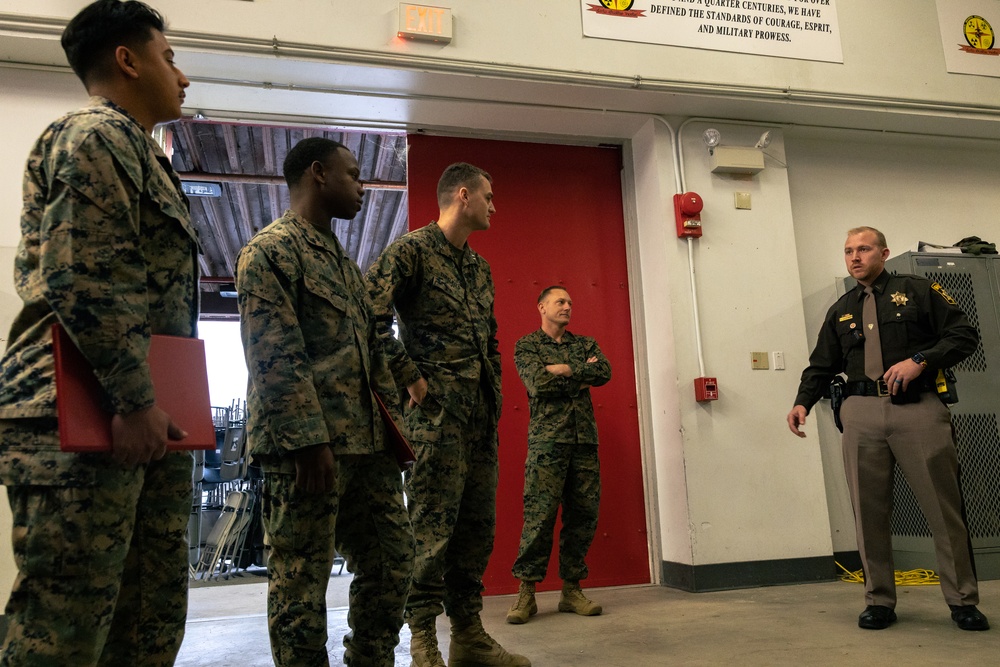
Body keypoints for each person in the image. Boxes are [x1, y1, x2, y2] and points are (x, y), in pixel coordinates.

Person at [0, 1, 197, 664]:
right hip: (87, 414)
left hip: (131, 417)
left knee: (144, 619)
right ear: (127, 59)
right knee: (64, 629)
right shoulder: (94, 137)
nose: (182, 75)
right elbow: (85, 274)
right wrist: (135, 400)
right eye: (169, 57)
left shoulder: (138, 153)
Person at [236, 137, 414, 667]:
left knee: (393, 561)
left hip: (367, 449)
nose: (362, 187)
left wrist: (395, 434)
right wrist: (308, 442)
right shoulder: (270, 251)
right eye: (354, 175)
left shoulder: (343, 263)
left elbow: (370, 354)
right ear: (318, 174)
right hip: (307, 453)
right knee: (301, 586)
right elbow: (273, 357)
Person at [365, 163, 530, 667]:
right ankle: (421, 640)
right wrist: (410, 377)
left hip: (479, 420)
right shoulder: (411, 252)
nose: (494, 206)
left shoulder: (478, 269)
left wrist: (494, 391)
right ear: (464, 196)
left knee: (475, 531)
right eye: (489, 196)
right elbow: (368, 315)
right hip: (435, 421)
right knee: (430, 532)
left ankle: (468, 636)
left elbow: (491, 338)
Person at [787, 226, 989, 632]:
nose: (855, 257)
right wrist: (802, 401)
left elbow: (965, 335)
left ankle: (963, 601)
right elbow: (822, 364)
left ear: (884, 253)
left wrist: (921, 360)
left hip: (917, 408)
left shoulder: (918, 289)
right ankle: (878, 600)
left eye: (863, 249)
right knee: (868, 511)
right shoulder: (841, 308)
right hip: (861, 413)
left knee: (943, 507)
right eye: (848, 251)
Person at [506, 286, 611, 625]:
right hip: (547, 443)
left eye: (570, 302)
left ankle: (571, 590)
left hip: (584, 443)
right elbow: (537, 384)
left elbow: (604, 371)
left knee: (582, 516)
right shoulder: (527, 346)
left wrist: (564, 369)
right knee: (539, 516)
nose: (568, 306)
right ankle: (526, 593)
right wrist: (579, 374)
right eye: (560, 302)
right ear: (542, 307)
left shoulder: (585, 344)